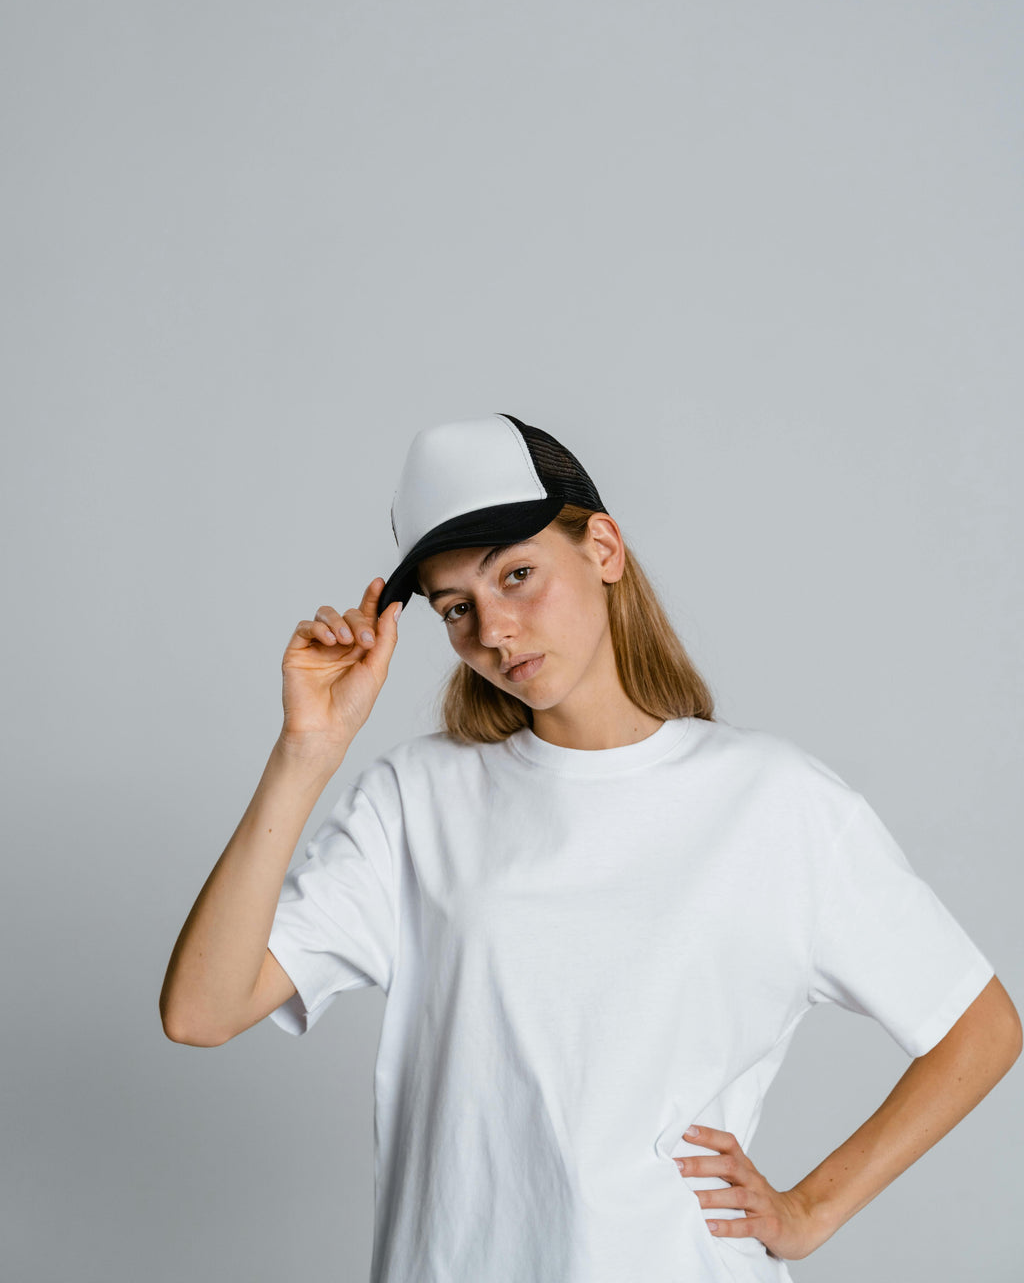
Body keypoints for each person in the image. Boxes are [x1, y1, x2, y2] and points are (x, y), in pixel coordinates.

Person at [160, 411, 1020, 1283]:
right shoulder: (418, 802)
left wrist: (810, 1210)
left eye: (518, 575)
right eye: (458, 608)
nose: (493, 630)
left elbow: (979, 1027)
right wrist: (307, 753)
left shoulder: (772, 802)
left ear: (602, 547)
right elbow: (201, 1011)